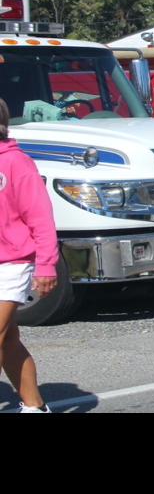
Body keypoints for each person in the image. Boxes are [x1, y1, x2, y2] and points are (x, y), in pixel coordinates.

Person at [0, 99, 58, 413]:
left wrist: (46, 265)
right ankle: (35, 407)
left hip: (11, 263)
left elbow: (41, 217)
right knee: (8, 340)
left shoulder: (15, 162)